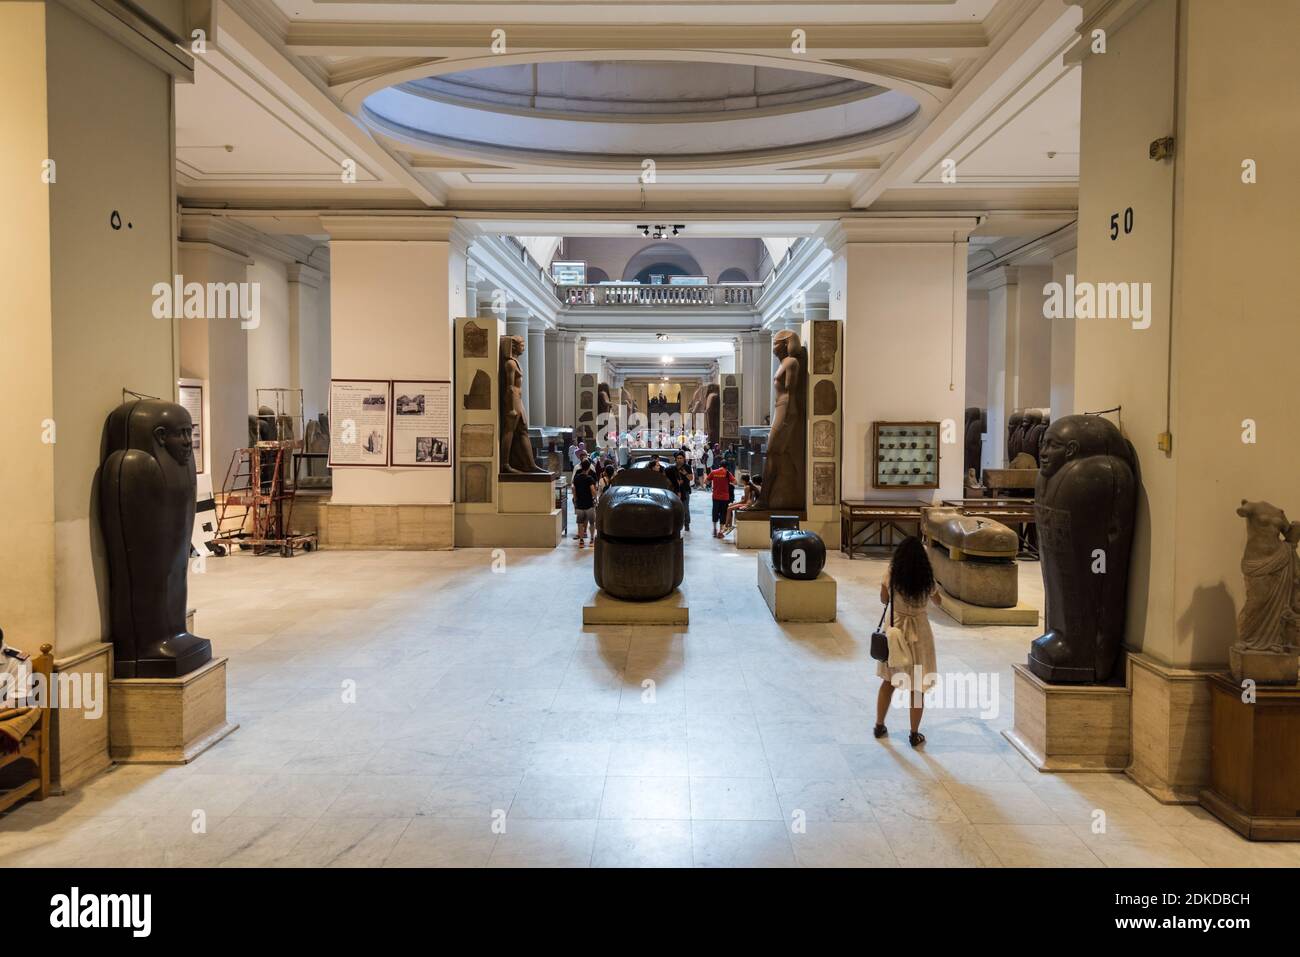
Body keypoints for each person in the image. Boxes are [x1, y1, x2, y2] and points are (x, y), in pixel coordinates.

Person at [874, 536, 941, 747]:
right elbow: (938, 602)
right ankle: (914, 733)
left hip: (896, 629)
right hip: (920, 631)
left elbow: (884, 599)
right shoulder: (926, 577)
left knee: (889, 680)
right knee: (918, 685)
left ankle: (879, 725)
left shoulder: (892, 572)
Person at [571, 458, 599, 548]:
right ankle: (591, 540)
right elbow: (592, 490)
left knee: (579, 522)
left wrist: (575, 500)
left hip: (580, 503)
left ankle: (581, 541)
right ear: (588, 468)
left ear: (581, 467)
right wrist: (595, 498)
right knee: (591, 522)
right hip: (589, 504)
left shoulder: (577, 478)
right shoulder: (589, 478)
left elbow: (574, 489)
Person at [708, 459, 735, 538]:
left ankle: (714, 528)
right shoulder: (727, 473)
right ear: (727, 467)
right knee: (723, 513)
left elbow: (706, 481)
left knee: (715, 512)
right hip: (725, 497)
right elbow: (735, 482)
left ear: (719, 465)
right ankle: (720, 531)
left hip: (715, 496)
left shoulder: (713, 472)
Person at [671, 450, 692, 531]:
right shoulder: (672, 468)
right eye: (678, 458)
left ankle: (687, 524)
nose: (679, 459)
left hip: (685, 490)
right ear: (675, 459)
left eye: (681, 458)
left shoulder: (687, 467)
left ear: (684, 459)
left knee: (685, 508)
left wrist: (685, 473)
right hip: (675, 491)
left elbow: (691, 478)